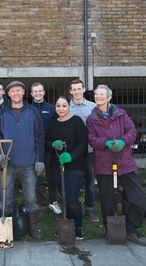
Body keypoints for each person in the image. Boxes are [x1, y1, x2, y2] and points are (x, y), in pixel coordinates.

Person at [86, 84, 146, 246]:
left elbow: (132, 132)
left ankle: (131, 230)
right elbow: (91, 139)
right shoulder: (91, 119)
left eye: (101, 94)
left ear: (109, 97)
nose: (98, 97)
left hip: (125, 162)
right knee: (107, 200)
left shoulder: (121, 114)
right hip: (105, 164)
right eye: (96, 94)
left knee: (138, 197)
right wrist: (106, 142)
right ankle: (111, 230)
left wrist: (122, 141)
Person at [0, 80, 45, 240]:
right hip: (8, 163)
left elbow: (39, 136)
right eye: (12, 91)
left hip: (29, 163)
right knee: (5, 197)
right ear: (8, 94)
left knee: (31, 197)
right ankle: (8, 229)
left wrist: (40, 159)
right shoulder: (2, 113)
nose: (16, 93)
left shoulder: (33, 112)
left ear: (23, 93)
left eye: (19, 91)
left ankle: (33, 228)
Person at [45, 96, 88, 240]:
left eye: (64, 105)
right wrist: (53, 145)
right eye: (58, 106)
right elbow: (47, 141)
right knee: (63, 197)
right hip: (57, 167)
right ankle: (67, 225)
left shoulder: (76, 122)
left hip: (75, 166)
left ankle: (78, 227)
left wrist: (71, 156)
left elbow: (83, 143)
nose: (61, 108)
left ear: (69, 106)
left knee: (71, 198)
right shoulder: (52, 124)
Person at [68, 79, 99, 222]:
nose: (77, 92)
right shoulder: (67, 107)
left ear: (84, 89)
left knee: (90, 182)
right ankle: (71, 208)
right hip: (73, 153)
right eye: (74, 89)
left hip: (89, 152)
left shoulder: (93, 107)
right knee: (72, 182)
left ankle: (89, 209)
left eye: (79, 88)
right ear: (70, 91)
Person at [30, 82, 61, 215]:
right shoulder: (28, 109)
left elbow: (56, 126)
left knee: (51, 177)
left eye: (40, 91)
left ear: (43, 92)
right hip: (32, 150)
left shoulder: (52, 108)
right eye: (35, 91)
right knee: (31, 178)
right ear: (31, 94)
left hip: (49, 149)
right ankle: (31, 203)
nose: (37, 93)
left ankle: (53, 201)